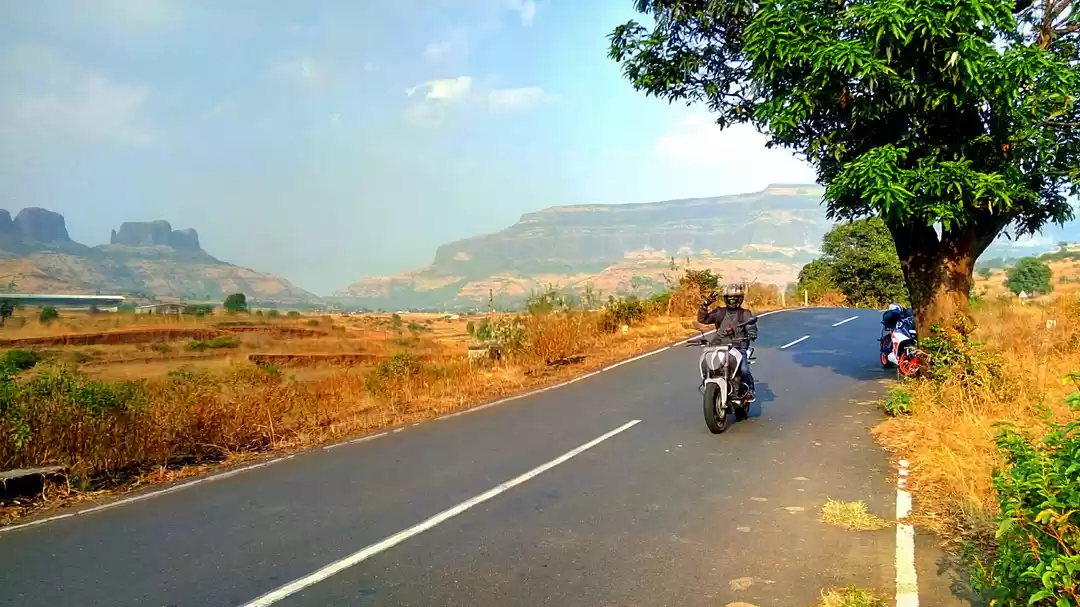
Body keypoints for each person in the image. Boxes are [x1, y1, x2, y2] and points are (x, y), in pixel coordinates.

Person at [697, 283, 758, 401]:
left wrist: (752, 332)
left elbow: (751, 326)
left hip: (738, 346)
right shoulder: (719, 312)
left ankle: (750, 389)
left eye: (734, 299)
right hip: (719, 345)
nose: (732, 302)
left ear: (740, 299)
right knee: (708, 364)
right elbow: (702, 319)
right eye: (729, 300)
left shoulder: (745, 313)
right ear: (725, 299)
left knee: (744, 369)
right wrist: (705, 305)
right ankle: (711, 388)